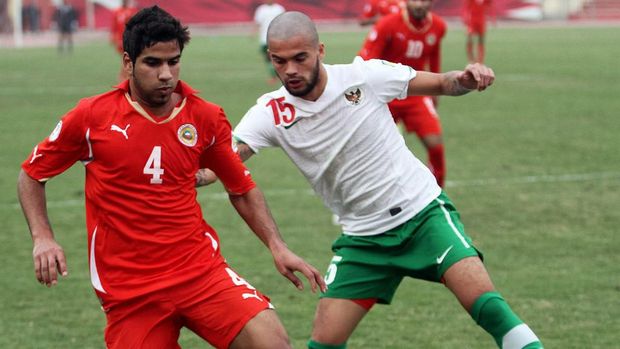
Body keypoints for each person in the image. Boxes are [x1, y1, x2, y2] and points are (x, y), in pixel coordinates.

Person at [198, 11, 544, 349]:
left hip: (423, 216)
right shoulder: (270, 112)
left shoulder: (364, 77)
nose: (290, 69)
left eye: (300, 58)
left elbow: (442, 82)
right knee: (324, 342)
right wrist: (195, 173)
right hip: (364, 240)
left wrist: (466, 79)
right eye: (279, 60)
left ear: (320, 51)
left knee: (488, 307)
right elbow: (225, 162)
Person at [18, 6, 325, 349]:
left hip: (199, 272)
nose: (166, 74)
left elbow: (241, 187)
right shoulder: (92, 117)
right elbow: (32, 173)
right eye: (153, 63)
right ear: (129, 62)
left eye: (173, 61)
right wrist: (42, 236)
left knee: (273, 344)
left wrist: (277, 246)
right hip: (130, 293)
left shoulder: (205, 117)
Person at [359, 0, 447, 186]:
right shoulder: (387, 24)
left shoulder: (438, 26)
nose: (420, 5)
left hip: (416, 94)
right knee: (372, 151)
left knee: (436, 145)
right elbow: (365, 61)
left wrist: (435, 95)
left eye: (424, 0)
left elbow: (434, 58)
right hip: (386, 95)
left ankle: (437, 196)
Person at [253, 0, 285, 84]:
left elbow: (284, 22)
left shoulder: (279, 9)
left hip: (277, 38)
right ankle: (276, 76)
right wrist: (253, 32)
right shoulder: (261, 9)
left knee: (275, 58)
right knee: (269, 59)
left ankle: (275, 77)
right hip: (264, 39)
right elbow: (258, 23)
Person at [110, 0, 138, 82]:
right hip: (121, 39)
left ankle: (124, 77)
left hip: (129, 38)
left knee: (129, 58)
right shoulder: (117, 12)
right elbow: (114, 26)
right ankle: (124, 77)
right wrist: (113, 37)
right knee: (127, 58)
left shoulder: (132, 11)